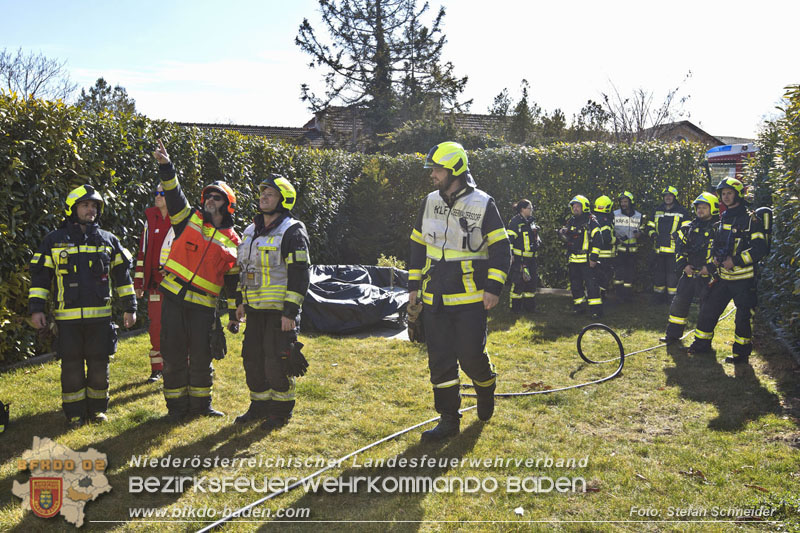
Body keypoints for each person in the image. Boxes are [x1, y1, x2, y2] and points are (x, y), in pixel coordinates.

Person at [408, 141, 510, 442]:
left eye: (437, 169)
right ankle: (449, 419)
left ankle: (486, 384)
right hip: (434, 297)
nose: (432, 175)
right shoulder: (429, 202)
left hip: (470, 299)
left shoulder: (483, 203)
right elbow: (417, 244)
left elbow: (502, 249)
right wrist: (413, 286)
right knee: (440, 361)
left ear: (454, 169)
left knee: (470, 356)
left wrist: (493, 288)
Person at [28, 185, 137, 428]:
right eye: (86, 205)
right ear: (72, 208)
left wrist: (130, 307)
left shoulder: (109, 240)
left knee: (100, 365)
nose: (91, 210)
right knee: (71, 367)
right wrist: (36, 309)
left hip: (100, 320)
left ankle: (98, 411)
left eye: (94, 206)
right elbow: (40, 279)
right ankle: (74, 414)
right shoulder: (53, 241)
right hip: (67, 321)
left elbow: (123, 278)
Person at [152, 140, 241, 418]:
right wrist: (167, 167)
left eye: (216, 198)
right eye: (208, 196)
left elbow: (233, 282)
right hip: (174, 301)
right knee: (174, 355)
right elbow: (175, 194)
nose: (210, 200)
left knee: (202, 358)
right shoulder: (187, 219)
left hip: (205, 308)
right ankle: (176, 409)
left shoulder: (234, 241)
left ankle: (202, 407)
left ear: (228, 206)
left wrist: (234, 315)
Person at [233, 174, 311, 429]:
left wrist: (290, 312)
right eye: (262, 193)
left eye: (270, 194)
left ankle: (280, 412)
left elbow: (300, 274)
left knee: (276, 361)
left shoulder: (292, 230)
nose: (263, 197)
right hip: (255, 310)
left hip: (280, 313)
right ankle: (259, 407)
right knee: (252, 359)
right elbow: (243, 269)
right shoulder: (249, 230)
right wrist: (240, 301)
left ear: (283, 199)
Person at [688, 178, 769, 364]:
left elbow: (760, 248)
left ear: (738, 194)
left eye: (729, 193)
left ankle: (741, 355)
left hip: (744, 279)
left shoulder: (751, 219)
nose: (726, 196)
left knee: (743, 318)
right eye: (723, 193)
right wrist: (716, 258)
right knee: (708, 309)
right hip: (723, 277)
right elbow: (719, 243)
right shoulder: (724, 217)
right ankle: (701, 345)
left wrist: (736, 261)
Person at [660, 192, 718, 344]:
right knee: (678, 304)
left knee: (706, 310)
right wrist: (684, 266)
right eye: (698, 208)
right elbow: (679, 250)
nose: (700, 211)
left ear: (713, 209)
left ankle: (702, 342)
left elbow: (722, 252)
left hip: (707, 276)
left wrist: (710, 267)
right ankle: (672, 336)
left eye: (704, 207)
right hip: (689, 274)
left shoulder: (718, 229)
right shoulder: (688, 228)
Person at [134, 184, 171, 382]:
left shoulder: (182, 218)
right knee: (156, 326)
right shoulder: (150, 219)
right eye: (156, 193)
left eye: (162, 193)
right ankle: (157, 368)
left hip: (178, 285)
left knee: (181, 326)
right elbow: (143, 253)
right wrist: (139, 282)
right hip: (156, 285)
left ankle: (189, 364)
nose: (158, 196)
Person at [558, 195, 602, 317]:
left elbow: (598, 240)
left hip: (587, 260)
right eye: (574, 206)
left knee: (592, 286)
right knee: (575, 286)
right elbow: (568, 235)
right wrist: (562, 232)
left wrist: (593, 258)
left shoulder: (591, 221)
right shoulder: (571, 220)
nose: (575, 208)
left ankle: (596, 311)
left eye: (578, 206)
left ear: (585, 207)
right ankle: (580, 308)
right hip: (573, 259)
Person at [646, 186, 689, 304]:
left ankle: (672, 299)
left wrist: (676, 235)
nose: (668, 197)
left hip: (674, 251)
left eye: (670, 195)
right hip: (658, 250)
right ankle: (658, 298)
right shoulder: (657, 211)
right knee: (658, 275)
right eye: (666, 195)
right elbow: (649, 226)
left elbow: (687, 228)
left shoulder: (682, 211)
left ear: (674, 197)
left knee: (672, 277)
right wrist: (653, 234)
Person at [507, 199, 541, 314]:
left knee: (531, 283)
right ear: (522, 209)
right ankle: (515, 309)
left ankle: (530, 308)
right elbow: (509, 240)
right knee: (518, 283)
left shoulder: (531, 221)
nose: (531, 210)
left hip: (531, 259)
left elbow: (535, 237)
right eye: (529, 208)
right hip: (519, 259)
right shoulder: (515, 222)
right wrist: (511, 254)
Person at [612, 191, 644, 301]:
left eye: (625, 201)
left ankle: (627, 294)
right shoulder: (615, 214)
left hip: (633, 250)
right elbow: (611, 230)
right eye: (621, 201)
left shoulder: (638, 215)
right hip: (620, 249)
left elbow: (643, 228)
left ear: (630, 202)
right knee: (619, 273)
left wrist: (640, 233)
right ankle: (618, 293)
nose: (623, 204)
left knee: (630, 273)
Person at [591, 195, 616, 303]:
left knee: (596, 276)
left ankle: (596, 294)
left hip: (595, 254)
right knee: (605, 276)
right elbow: (607, 238)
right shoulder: (606, 220)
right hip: (606, 254)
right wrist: (617, 240)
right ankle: (601, 295)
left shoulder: (593, 218)